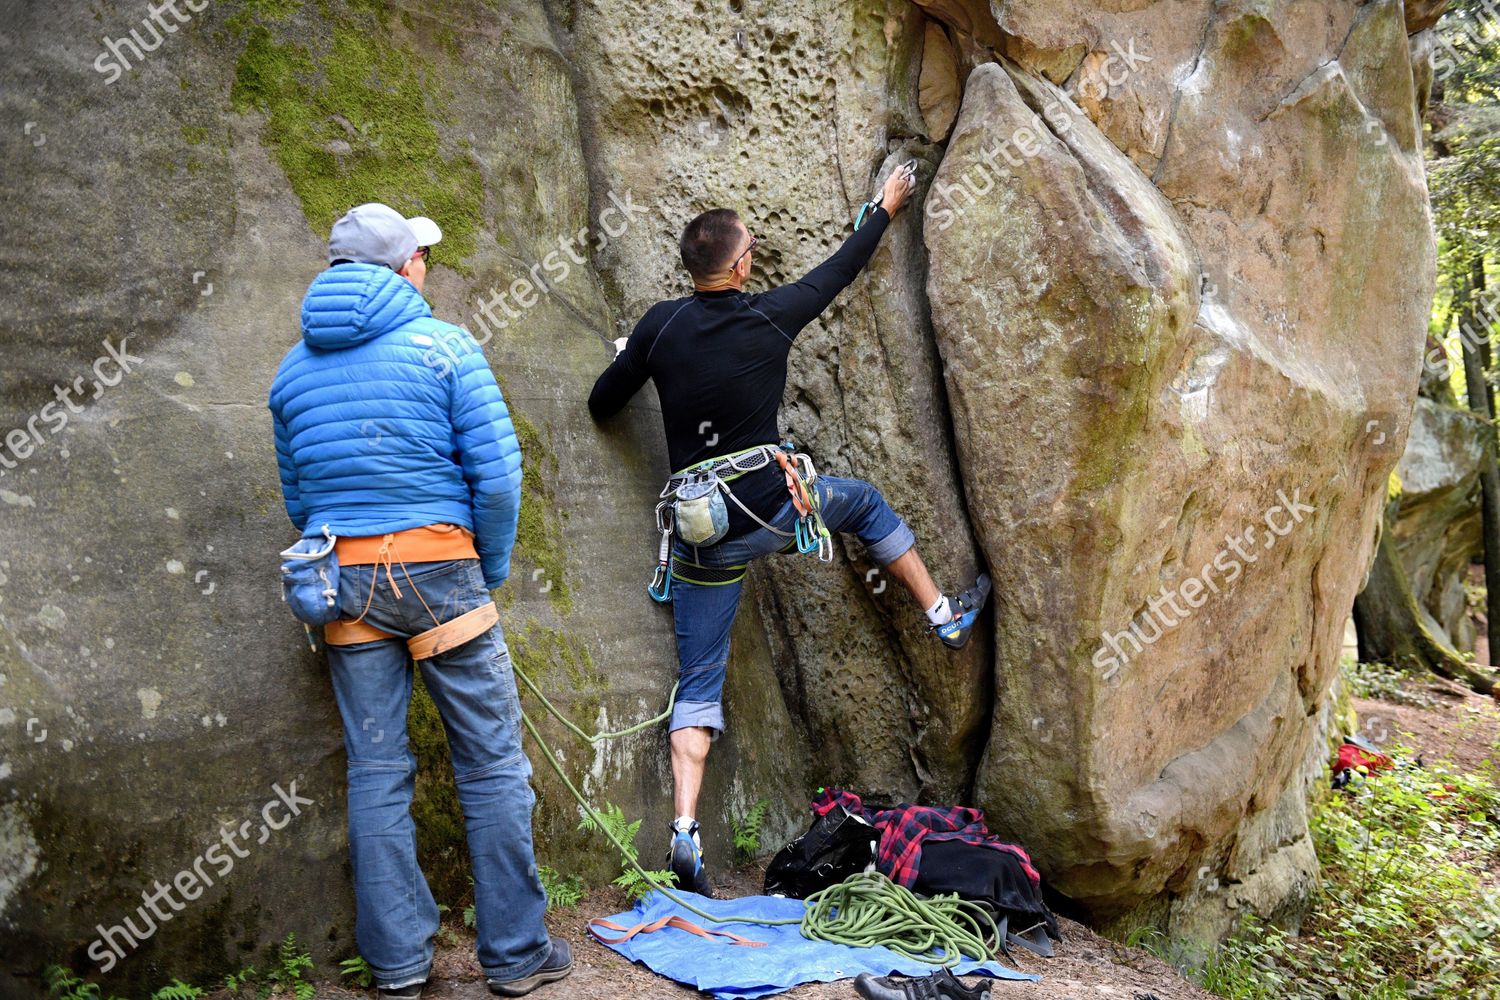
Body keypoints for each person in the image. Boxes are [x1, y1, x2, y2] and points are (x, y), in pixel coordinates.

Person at [587, 169, 992, 896]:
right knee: (863, 503)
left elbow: (602, 403)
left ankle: (684, 836)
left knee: (699, 683)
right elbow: (841, 269)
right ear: (740, 266)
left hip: (703, 535)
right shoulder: (771, 315)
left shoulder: (659, 327)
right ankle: (943, 616)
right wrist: (883, 208)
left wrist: (633, 355)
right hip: (777, 513)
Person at [268, 203, 571, 999]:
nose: (427, 265)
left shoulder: (291, 372)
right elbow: (499, 479)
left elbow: (301, 501)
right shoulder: (445, 347)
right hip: (442, 571)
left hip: (344, 582)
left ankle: (399, 965)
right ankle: (514, 955)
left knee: (375, 770)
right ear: (404, 269)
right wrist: (488, 566)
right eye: (422, 255)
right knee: (492, 764)